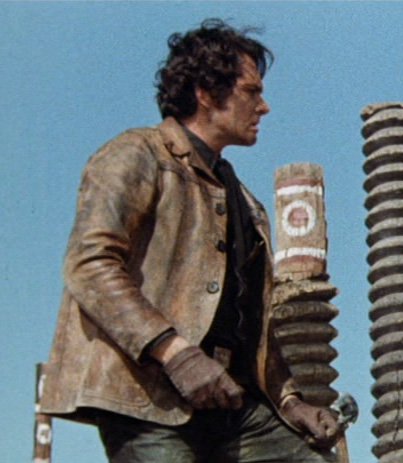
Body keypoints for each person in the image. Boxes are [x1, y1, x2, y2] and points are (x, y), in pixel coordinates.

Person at [40, 19, 341, 462]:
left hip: (230, 401)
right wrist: (176, 353)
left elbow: (254, 323)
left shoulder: (245, 202)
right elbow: (90, 264)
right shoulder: (137, 153)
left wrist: (290, 401)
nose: (264, 107)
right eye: (251, 92)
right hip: (147, 399)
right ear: (205, 92)